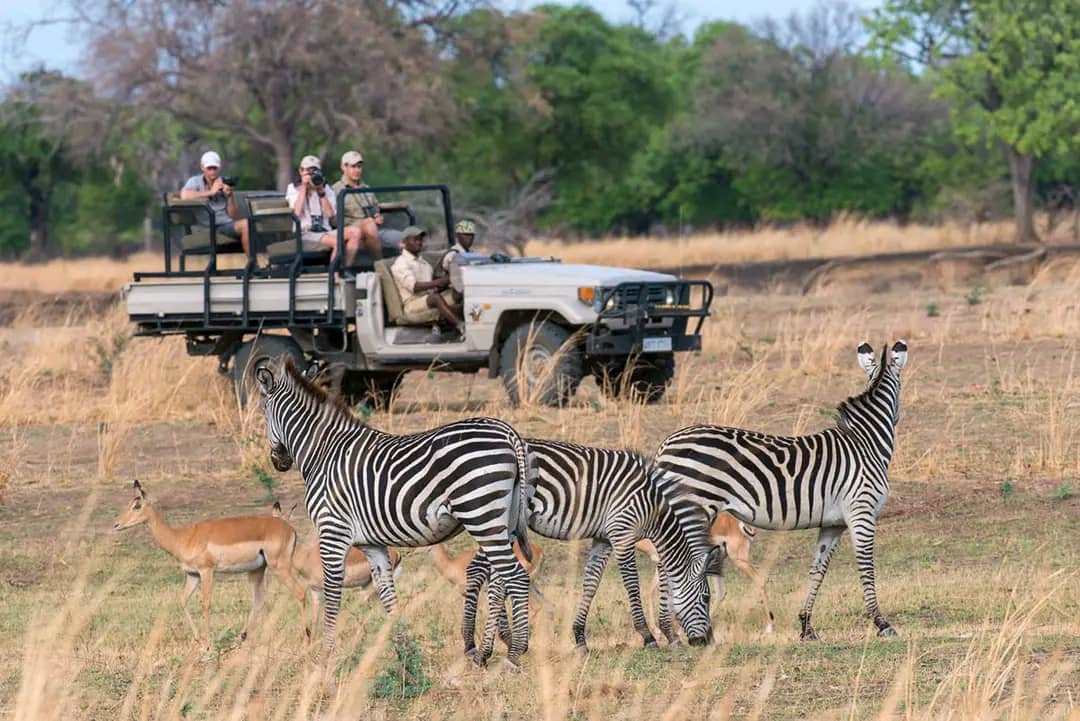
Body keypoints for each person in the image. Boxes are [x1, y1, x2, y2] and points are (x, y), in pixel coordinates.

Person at [285, 155, 363, 269]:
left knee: (355, 232)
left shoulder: (325, 188)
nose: (312, 175)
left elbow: (330, 214)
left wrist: (321, 191)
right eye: (308, 171)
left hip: (324, 230)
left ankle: (345, 269)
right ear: (301, 171)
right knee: (338, 242)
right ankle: (333, 275)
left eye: (314, 171)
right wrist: (304, 187)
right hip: (305, 232)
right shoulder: (293, 188)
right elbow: (296, 213)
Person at [391, 226, 463, 338]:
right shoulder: (401, 264)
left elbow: (432, 280)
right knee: (435, 298)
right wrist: (437, 282)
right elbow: (414, 286)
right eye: (415, 239)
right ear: (405, 242)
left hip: (428, 298)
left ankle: (466, 324)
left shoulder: (423, 262)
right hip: (412, 304)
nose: (419, 242)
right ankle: (461, 326)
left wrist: (448, 279)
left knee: (458, 292)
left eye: (420, 239)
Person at [180, 151, 250, 253]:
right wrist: (211, 192)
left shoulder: (223, 182)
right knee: (247, 225)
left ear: (219, 168)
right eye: (209, 168)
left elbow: (232, 217)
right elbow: (184, 196)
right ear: (202, 168)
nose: (212, 171)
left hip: (225, 225)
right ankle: (253, 264)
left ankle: (252, 265)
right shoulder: (194, 181)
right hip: (207, 227)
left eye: (215, 168)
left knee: (249, 224)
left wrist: (230, 196)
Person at [331, 150, 384, 260]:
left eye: (359, 167)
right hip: (351, 229)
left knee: (405, 237)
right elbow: (333, 220)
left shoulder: (367, 188)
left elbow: (376, 209)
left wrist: (378, 216)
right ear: (344, 167)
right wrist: (361, 224)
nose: (357, 170)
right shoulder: (336, 190)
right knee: (369, 225)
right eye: (353, 167)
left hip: (373, 228)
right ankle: (380, 265)